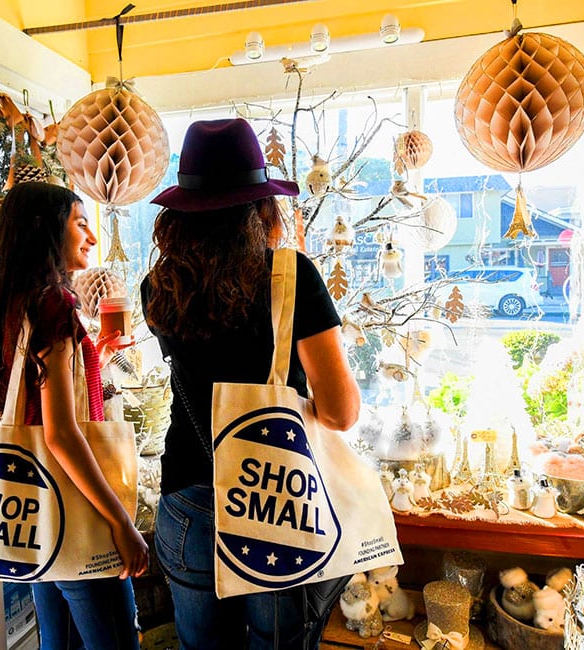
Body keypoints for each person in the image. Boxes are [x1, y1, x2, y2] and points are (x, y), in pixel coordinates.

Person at [142, 118, 361, 649]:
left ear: (180, 213)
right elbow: (340, 412)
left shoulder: (158, 287)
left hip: (188, 500)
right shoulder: (292, 276)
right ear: (261, 206)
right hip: (273, 501)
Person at [0, 181, 147, 650]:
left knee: (58, 642)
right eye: (81, 223)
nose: (91, 237)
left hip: (37, 512)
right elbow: (62, 435)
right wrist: (121, 523)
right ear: (46, 230)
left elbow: (35, 401)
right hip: (74, 506)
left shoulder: (10, 303)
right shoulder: (56, 304)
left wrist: (95, 360)